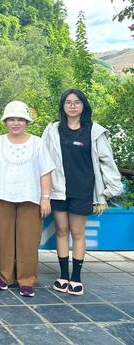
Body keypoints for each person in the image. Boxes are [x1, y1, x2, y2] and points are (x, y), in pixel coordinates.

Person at [42, 89, 122, 296]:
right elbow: (43, 159)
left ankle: (76, 277)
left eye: (77, 102)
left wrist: (110, 189)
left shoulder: (94, 131)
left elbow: (107, 161)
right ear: (63, 106)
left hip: (83, 190)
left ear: (83, 106)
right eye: (68, 102)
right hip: (58, 190)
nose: (72, 105)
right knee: (61, 231)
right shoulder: (53, 130)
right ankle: (63, 275)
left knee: (77, 233)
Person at [0, 100, 55, 297]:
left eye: (20, 119)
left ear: (27, 122)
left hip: (30, 198)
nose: (16, 123)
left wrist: (46, 198)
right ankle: (5, 276)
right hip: (2, 197)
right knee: (5, 238)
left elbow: (45, 173)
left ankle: (27, 280)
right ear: (5, 121)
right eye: (11, 119)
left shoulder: (37, 143)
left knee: (28, 241)